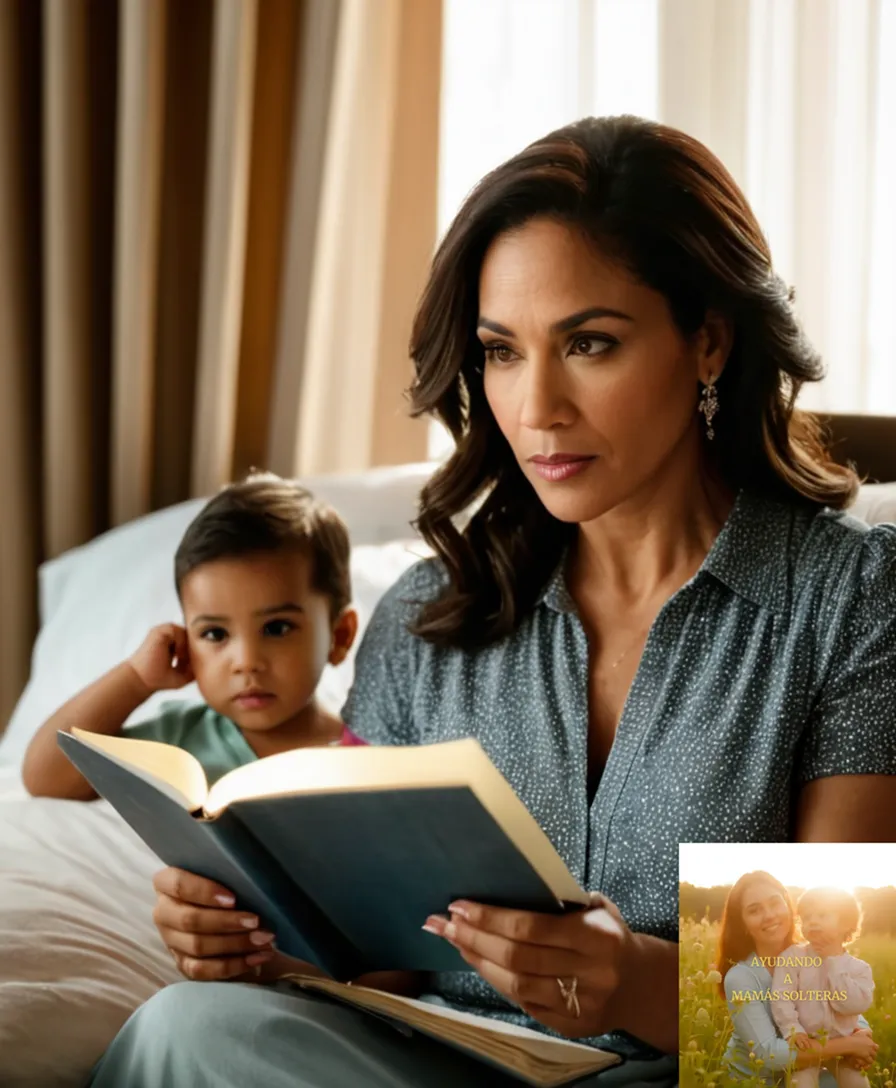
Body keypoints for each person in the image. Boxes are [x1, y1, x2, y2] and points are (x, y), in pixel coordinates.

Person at [87, 113, 896, 1087]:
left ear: (708, 340)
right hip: (437, 1062)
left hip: (698, 1075)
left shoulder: (851, 599)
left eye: (588, 343)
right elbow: (381, 957)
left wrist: (635, 979)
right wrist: (258, 942)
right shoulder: (430, 614)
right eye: (501, 351)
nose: (534, 406)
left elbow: (845, 1016)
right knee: (190, 1025)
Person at [22, 472, 363, 805]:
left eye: (276, 628)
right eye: (215, 634)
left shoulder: (366, 756)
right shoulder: (178, 741)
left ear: (339, 635)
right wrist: (136, 680)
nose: (246, 662)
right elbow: (47, 778)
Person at [719, 872, 877, 1084]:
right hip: (759, 1080)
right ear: (743, 924)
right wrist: (849, 1045)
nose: (769, 915)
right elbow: (768, 1055)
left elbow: (841, 1005)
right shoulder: (740, 978)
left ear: (788, 906)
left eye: (775, 903)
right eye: (754, 910)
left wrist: (862, 1032)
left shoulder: (816, 953)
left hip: (814, 1064)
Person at [770, 886, 874, 1087]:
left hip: (844, 1050)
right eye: (807, 917)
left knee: (858, 1084)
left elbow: (852, 1005)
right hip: (807, 1044)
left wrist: (833, 962)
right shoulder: (792, 958)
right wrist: (793, 1030)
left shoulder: (859, 969)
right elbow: (781, 997)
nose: (813, 922)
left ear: (845, 924)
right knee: (800, 1084)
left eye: (822, 915)